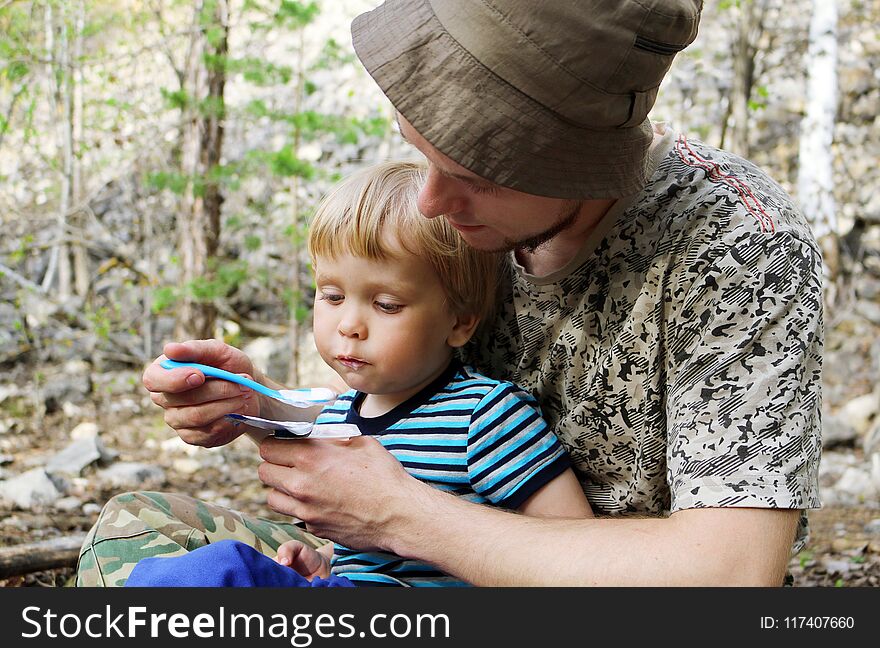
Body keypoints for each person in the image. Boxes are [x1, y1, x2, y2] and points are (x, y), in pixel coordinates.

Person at [78, 0, 822, 587]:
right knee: (135, 531)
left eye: (476, 170)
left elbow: (730, 575)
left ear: (575, 162)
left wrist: (403, 517)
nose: (433, 200)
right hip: (422, 563)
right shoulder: (478, 223)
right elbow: (422, 404)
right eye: (422, 152)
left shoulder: (739, 248)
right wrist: (257, 405)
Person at [90, 162, 592, 588]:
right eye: (331, 296)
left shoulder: (485, 416)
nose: (349, 325)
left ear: (459, 321)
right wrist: (326, 563)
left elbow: (569, 543)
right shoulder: (339, 412)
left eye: (388, 304)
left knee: (220, 573)